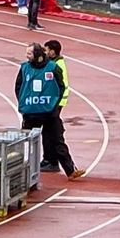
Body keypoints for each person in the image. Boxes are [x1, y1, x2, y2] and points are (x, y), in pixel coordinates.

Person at [15, 43, 84, 180]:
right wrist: (24, 104)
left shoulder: (53, 68)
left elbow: (61, 86)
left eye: (29, 53)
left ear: (38, 55)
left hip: (49, 113)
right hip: (31, 114)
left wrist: (54, 105)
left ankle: (70, 170)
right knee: (26, 142)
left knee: (58, 140)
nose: (26, 56)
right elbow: (18, 87)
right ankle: (21, 173)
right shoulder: (24, 68)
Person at [43, 39, 80, 176]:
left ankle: (55, 162)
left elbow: (59, 86)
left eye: (46, 50)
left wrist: (54, 103)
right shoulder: (55, 63)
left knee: (53, 133)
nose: (45, 52)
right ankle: (51, 160)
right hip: (54, 103)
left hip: (55, 104)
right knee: (49, 132)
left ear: (52, 51)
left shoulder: (56, 65)